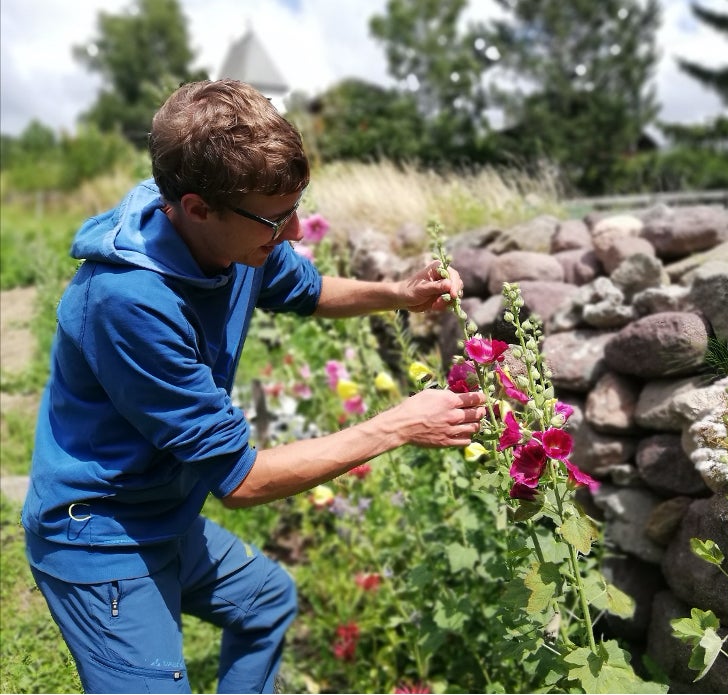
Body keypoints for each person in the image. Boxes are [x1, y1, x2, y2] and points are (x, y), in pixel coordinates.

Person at [21, 78, 486, 694]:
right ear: (196, 208)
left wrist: (399, 294)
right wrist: (398, 425)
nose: (293, 232)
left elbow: (309, 290)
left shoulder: (234, 239)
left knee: (267, 603)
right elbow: (241, 481)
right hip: (101, 535)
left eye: (296, 208)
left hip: (164, 512)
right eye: (275, 219)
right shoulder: (129, 302)